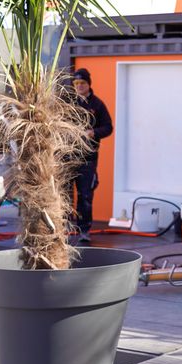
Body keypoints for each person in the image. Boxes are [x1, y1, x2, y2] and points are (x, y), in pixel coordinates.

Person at [71, 68, 112, 243]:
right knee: (63, 194)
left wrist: (93, 132)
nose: (79, 86)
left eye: (82, 83)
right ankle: (63, 228)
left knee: (85, 195)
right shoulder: (68, 103)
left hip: (88, 158)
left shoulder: (98, 104)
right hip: (67, 157)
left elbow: (108, 128)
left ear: (89, 84)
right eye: (76, 83)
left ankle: (84, 230)